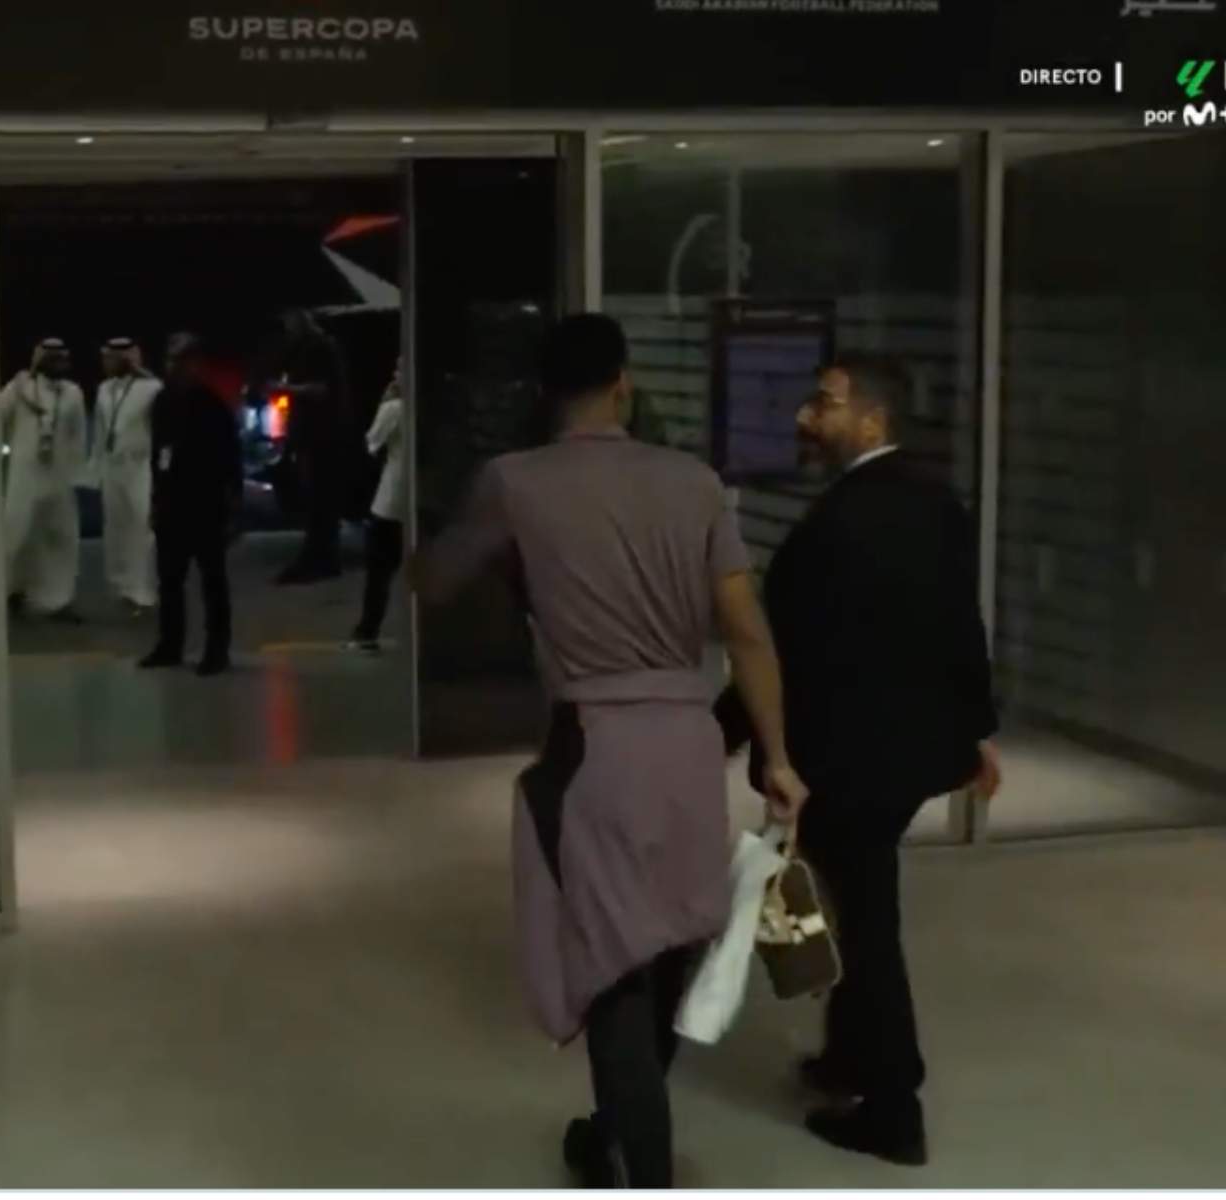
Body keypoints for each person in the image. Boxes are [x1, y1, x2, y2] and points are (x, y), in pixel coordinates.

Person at [416, 314, 806, 1189]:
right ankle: (622, 1129)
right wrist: (776, 756)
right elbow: (746, 632)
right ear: (624, 382)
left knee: (612, 966)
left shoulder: (513, 482)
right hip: (687, 744)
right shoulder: (696, 482)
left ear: (543, 394)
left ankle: (642, 1163)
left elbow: (434, 580)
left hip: (593, 745)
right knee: (667, 942)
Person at [743, 353, 1000, 1167]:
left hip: (844, 757)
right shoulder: (937, 504)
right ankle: (853, 1060)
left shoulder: (834, 523)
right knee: (859, 906)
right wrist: (974, 736)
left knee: (867, 921)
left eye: (823, 403)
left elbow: (772, 647)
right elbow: (961, 626)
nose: (804, 418)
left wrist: (745, 743)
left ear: (873, 421)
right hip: (908, 754)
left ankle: (893, 1107)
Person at [139, 334, 241, 677]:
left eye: (182, 360)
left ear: (196, 363)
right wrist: (155, 499)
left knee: (212, 580)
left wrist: (232, 509)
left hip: (205, 505)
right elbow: (157, 454)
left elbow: (230, 460)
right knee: (170, 581)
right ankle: (170, 645)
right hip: (171, 505)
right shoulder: (163, 402)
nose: (176, 366)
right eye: (171, 359)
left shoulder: (212, 405)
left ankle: (217, 650)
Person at [0, 338, 88, 621]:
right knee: (17, 534)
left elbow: (78, 435)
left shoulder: (73, 393)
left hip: (59, 477)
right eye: (52, 358)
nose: (59, 363)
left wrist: (79, 474)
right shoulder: (19, 388)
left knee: (60, 538)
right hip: (24, 475)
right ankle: (11, 592)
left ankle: (58, 601)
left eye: (62, 357)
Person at [271, 309, 353, 585]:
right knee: (316, 500)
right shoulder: (305, 348)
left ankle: (320, 559)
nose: (287, 326)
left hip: (323, 435)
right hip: (311, 434)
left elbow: (321, 389)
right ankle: (321, 558)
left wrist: (287, 389)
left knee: (321, 499)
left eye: (290, 320)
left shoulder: (321, 348)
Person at [92, 337, 163, 615]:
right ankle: (122, 587)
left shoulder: (151, 388)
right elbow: (99, 432)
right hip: (112, 466)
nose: (105, 363)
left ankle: (143, 593)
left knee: (140, 528)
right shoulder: (103, 389)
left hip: (140, 466)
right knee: (116, 528)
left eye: (111, 358)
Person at [347, 358, 406, 653]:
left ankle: (366, 633)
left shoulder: (395, 408)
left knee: (379, 572)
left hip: (391, 500)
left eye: (399, 369)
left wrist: (386, 400)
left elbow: (372, 443)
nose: (394, 374)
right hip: (420, 499)